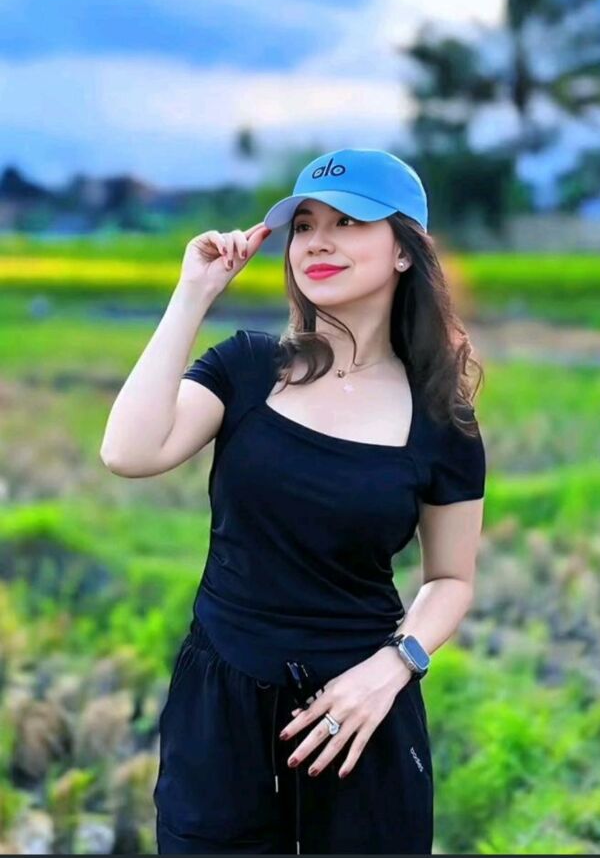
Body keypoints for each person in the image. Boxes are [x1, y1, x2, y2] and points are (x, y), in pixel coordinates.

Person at [100, 146, 487, 855]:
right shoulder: (247, 367)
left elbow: (451, 579)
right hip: (220, 713)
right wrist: (193, 294)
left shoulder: (441, 419)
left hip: (360, 715)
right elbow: (129, 451)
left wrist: (394, 666)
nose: (317, 242)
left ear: (405, 250)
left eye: (348, 222)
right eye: (304, 225)